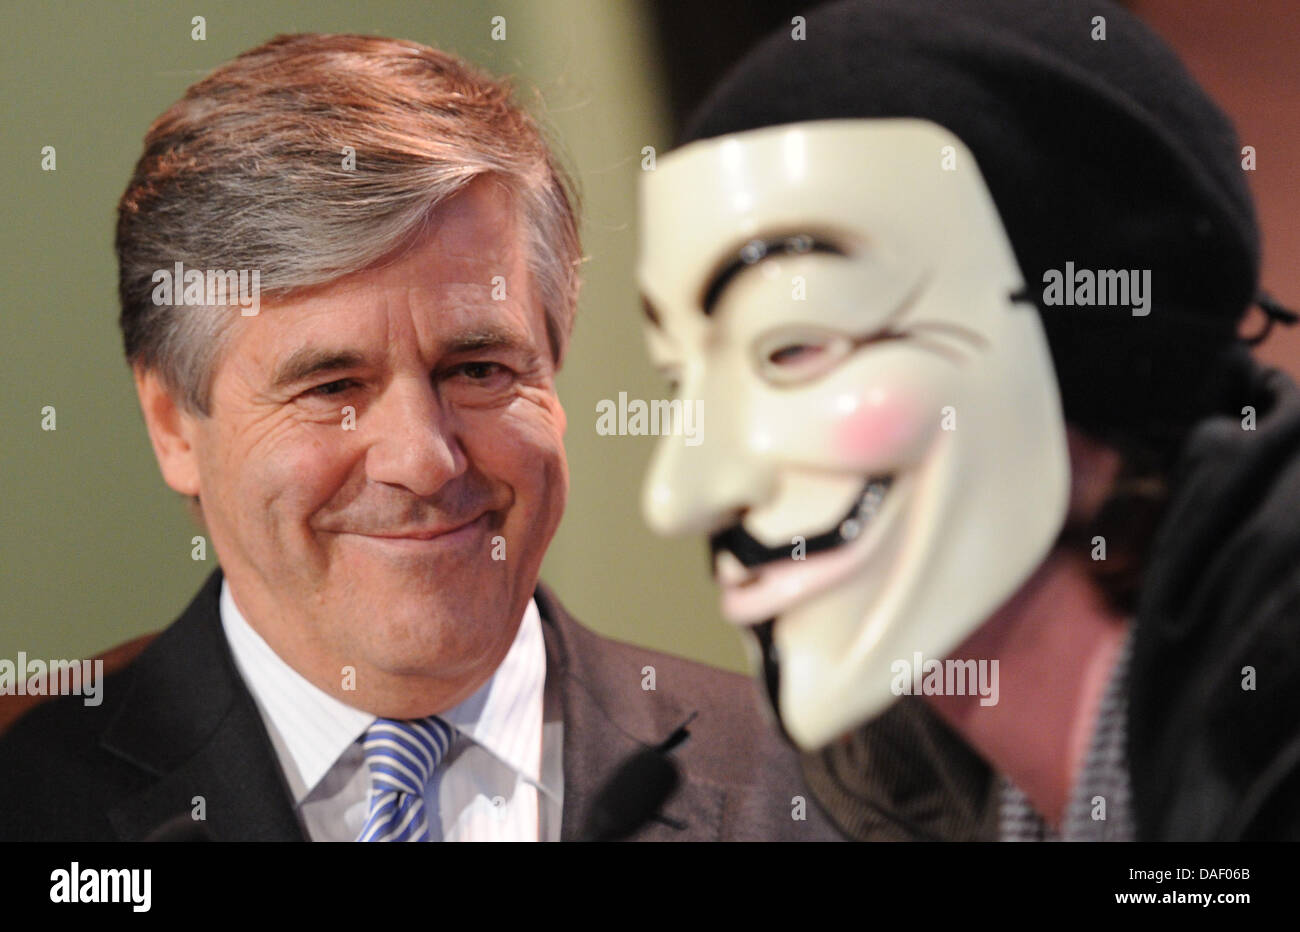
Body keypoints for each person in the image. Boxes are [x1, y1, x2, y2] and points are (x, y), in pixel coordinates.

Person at [0, 33, 840, 843]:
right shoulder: (28, 799)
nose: (424, 460)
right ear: (173, 426)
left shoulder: (832, 796)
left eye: (477, 369)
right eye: (332, 387)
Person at [638, 0, 1300, 840]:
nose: (681, 493)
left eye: (793, 348)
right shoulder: (883, 791)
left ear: (1073, 354)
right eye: (679, 379)